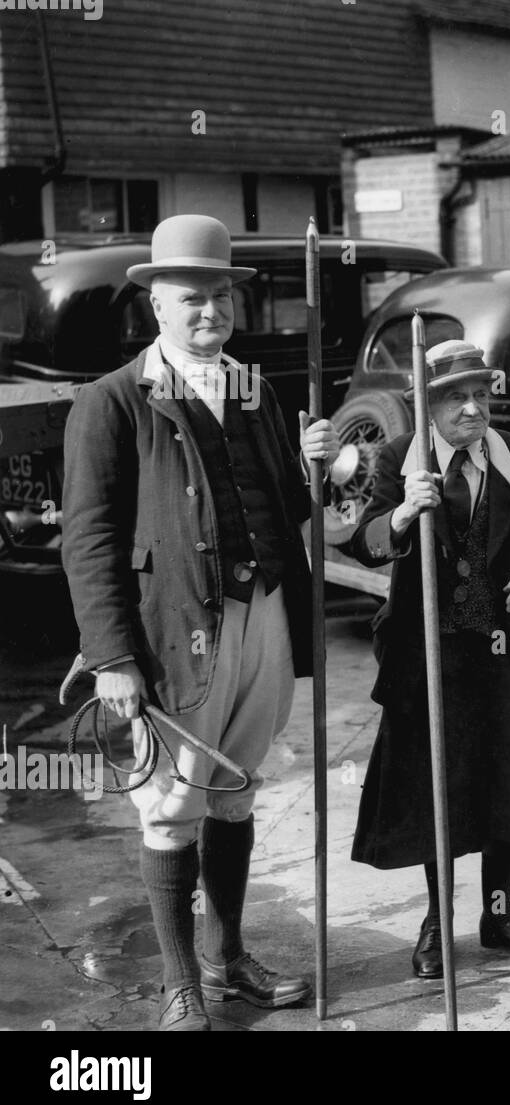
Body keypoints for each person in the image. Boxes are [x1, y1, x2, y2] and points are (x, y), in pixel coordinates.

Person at [61, 214, 340, 1030]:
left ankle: (229, 957)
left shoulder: (254, 389)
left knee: (236, 790)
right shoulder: (111, 401)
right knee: (169, 803)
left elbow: (286, 509)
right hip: (174, 629)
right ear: (156, 305)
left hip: (263, 616)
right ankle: (180, 983)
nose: (209, 312)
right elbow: (89, 541)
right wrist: (112, 655)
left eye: (220, 296)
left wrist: (313, 468)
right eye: (192, 299)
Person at [347, 339, 510, 977]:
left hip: (507, 650)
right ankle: (437, 921)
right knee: (438, 788)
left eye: (481, 394)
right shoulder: (401, 457)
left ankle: (499, 912)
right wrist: (400, 515)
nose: (473, 408)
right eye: (456, 397)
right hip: (428, 654)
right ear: (428, 404)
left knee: (505, 782)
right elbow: (363, 544)